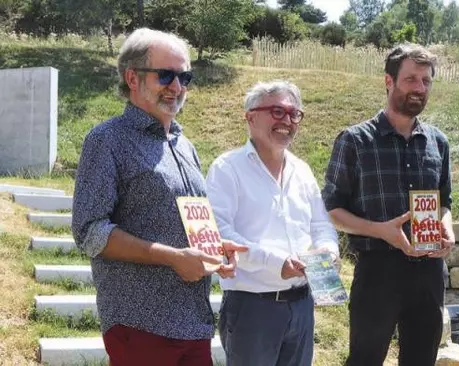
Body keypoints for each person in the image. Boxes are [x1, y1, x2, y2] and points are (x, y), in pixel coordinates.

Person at [71, 28, 246, 366]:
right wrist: (172, 257)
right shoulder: (107, 140)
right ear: (132, 78)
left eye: (185, 76)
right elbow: (90, 232)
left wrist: (214, 248)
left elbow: (180, 219)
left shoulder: (184, 146)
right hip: (141, 323)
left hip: (193, 321)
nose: (177, 86)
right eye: (165, 75)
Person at [323, 43, 456, 366]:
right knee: (365, 360)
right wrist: (380, 231)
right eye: (411, 79)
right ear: (388, 81)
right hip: (377, 271)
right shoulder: (354, 140)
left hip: (428, 272)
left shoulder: (437, 141)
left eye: (426, 81)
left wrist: (447, 230)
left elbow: (445, 202)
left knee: (421, 360)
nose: (420, 88)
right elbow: (331, 209)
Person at [206, 80, 340, 366]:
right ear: (250, 116)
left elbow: (321, 224)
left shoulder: (302, 171)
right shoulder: (226, 168)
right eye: (277, 111)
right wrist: (274, 262)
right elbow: (220, 232)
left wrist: (328, 251)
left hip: (302, 304)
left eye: (294, 114)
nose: (287, 121)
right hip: (253, 307)